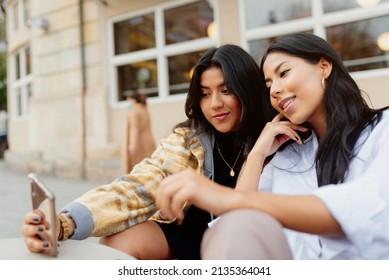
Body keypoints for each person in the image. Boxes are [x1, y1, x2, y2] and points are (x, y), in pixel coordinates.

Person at [22, 44, 273, 260]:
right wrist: (65, 222)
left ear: (246, 88)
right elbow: (136, 187)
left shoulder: (275, 137)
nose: (215, 103)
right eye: (205, 94)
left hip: (248, 244)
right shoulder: (189, 141)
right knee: (118, 242)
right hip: (191, 238)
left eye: (226, 90)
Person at [156, 33, 389, 259]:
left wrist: (223, 197)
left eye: (284, 73)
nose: (275, 90)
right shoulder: (289, 156)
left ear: (324, 67)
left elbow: (368, 210)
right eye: (268, 84)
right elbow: (231, 228)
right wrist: (257, 154)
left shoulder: (382, 130)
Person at [122, 91, 156, 174]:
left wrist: (132, 145)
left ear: (133, 100)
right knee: (149, 168)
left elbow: (135, 128)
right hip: (148, 142)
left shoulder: (134, 111)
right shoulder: (144, 109)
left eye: (129, 100)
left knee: (137, 170)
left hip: (139, 143)